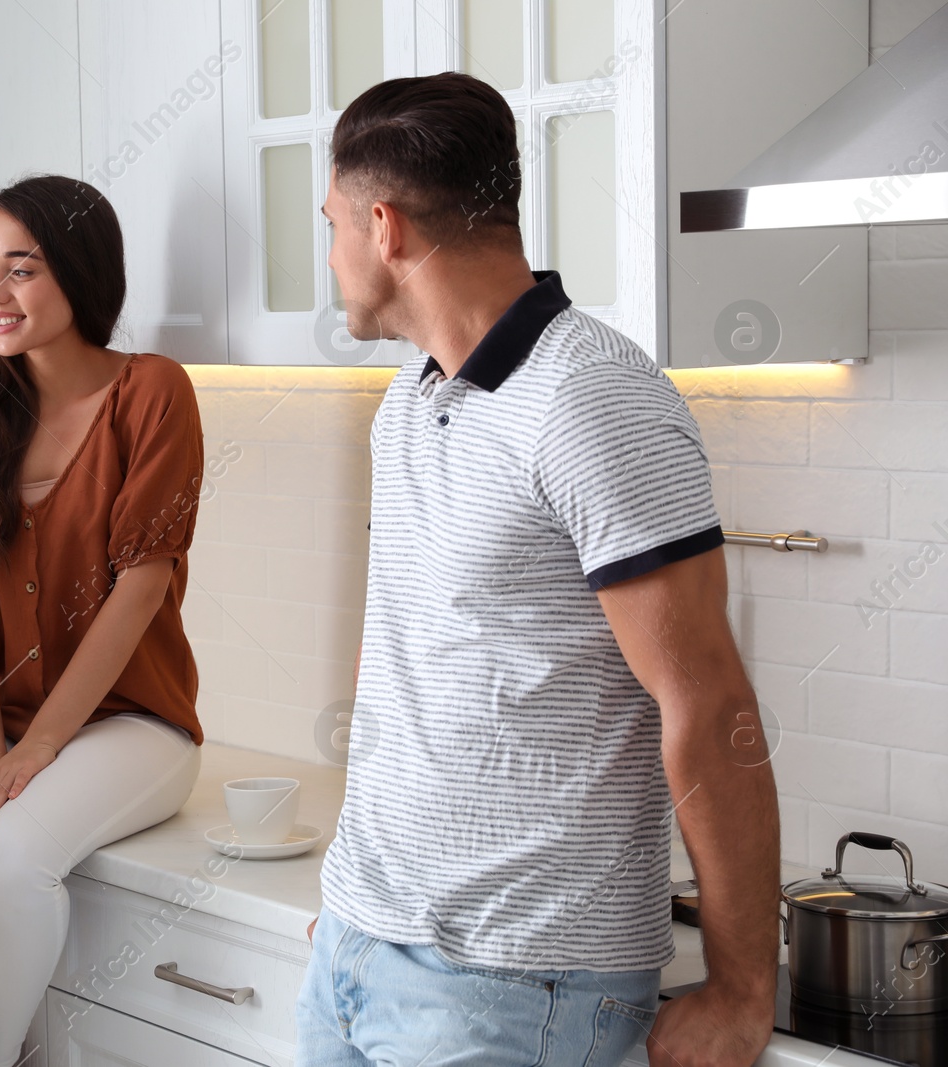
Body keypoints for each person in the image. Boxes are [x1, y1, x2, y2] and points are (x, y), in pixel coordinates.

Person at [297, 74, 779, 1066]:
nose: (332, 253)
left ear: (381, 226)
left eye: (331, 224)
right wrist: (362, 910)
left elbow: (709, 702)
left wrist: (740, 986)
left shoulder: (592, 398)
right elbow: (411, 659)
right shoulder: (412, 398)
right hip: (358, 952)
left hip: (515, 989)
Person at [0, 174, 205, 1067]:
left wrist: (34, 751)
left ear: (81, 272)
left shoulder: (153, 393)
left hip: (134, 722)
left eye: (20, 268)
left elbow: (140, 588)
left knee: (12, 857)